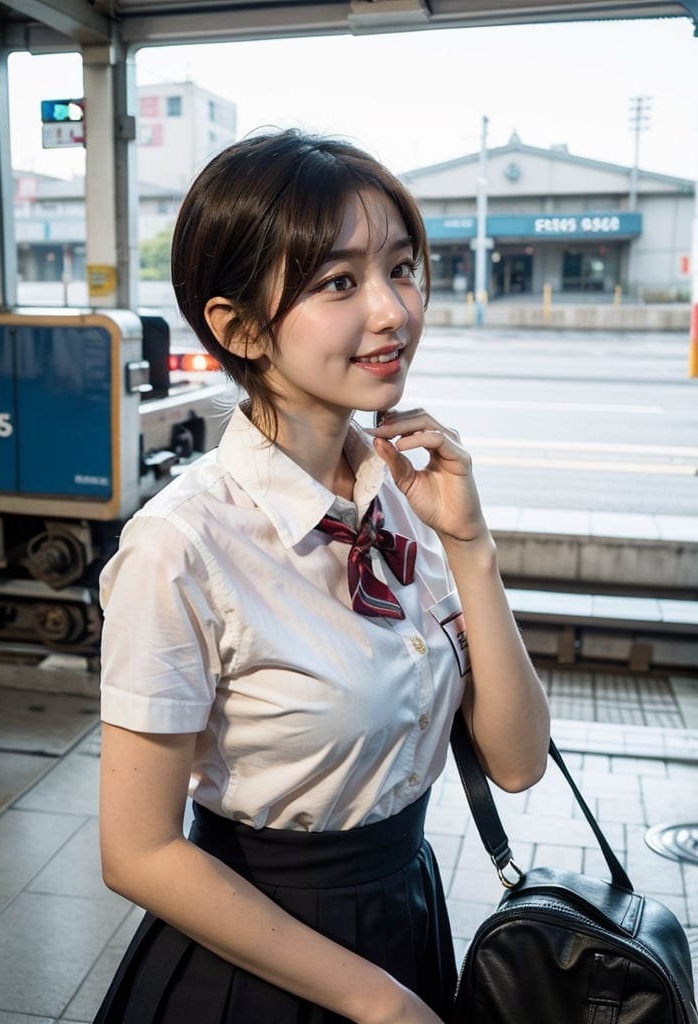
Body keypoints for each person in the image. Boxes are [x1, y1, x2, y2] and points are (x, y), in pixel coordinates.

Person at [95, 128, 551, 1024]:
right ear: (237, 327)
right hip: (257, 962)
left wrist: (471, 545)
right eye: (339, 282)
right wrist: (376, 1003)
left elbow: (518, 760)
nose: (393, 311)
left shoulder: (403, 496)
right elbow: (136, 851)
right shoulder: (183, 545)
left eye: (402, 267)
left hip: (405, 917)